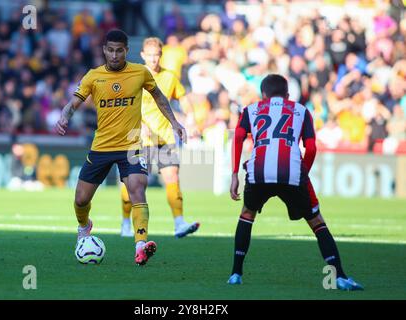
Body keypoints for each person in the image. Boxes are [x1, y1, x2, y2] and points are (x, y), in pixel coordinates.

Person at [55, 29, 186, 266]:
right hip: (102, 146)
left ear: (126, 50)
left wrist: (174, 122)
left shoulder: (139, 72)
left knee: (138, 188)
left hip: (131, 146)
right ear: (104, 50)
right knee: (81, 200)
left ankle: (140, 245)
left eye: (119, 51)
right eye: (110, 50)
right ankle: (84, 227)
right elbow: (73, 103)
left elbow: (159, 97)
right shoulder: (94, 76)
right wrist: (65, 116)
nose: (114, 55)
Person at [227, 74, 363, 291]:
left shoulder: (251, 109)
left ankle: (235, 274)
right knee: (316, 221)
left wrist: (234, 173)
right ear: (287, 95)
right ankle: (339, 277)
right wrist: (303, 173)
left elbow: (238, 137)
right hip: (291, 173)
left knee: (247, 214)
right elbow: (312, 147)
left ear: (263, 94)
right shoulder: (301, 110)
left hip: (259, 172)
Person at [120, 37, 200, 238]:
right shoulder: (134, 75)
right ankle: (125, 223)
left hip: (164, 138)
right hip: (137, 138)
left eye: (157, 55)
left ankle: (179, 223)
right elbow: (126, 104)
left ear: (161, 55)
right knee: (132, 184)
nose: (154, 59)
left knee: (172, 177)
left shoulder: (169, 77)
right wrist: (140, 124)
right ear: (142, 56)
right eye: (150, 55)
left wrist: (190, 119)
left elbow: (183, 98)